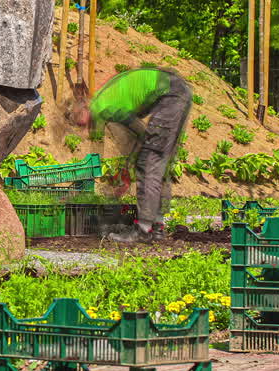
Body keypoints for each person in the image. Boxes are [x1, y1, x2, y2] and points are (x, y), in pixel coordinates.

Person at [72, 67, 193, 243]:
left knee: (149, 163)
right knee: (159, 162)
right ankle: (157, 228)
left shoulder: (102, 107)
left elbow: (141, 132)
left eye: (79, 121)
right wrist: (129, 165)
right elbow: (142, 137)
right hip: (177, 92)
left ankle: (144, 230)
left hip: (170, 95)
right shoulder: (104, 99)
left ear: (85, 110)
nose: (82, 127)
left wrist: (129, 169)